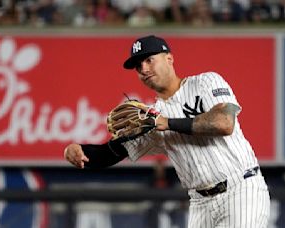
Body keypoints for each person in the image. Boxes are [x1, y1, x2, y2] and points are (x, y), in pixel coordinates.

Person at [64, 35, 271, 227]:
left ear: (169, 59)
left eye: (149, 60)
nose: (143, 69)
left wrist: (166, 122)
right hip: (200, 203)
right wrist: (78, 150)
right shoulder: (150, 119)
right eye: (138, 66)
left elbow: (224, 123)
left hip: (241, 189)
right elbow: (112, 152)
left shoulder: (206, 82)